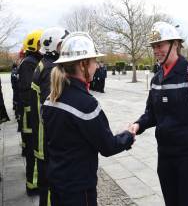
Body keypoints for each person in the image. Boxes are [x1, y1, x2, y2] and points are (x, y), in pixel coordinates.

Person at [129, 21, 188, 206]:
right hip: (166, 156)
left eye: (160, 45)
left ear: (175, 44)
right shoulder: (157, 78)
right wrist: (138, 125)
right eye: (153, 46)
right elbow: (151, 113)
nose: (155, 50)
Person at [42, 32, 135, 206]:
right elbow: (108, 146)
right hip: (78, 189)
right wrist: (128, 135)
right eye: (94, 61)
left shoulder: (51, 98)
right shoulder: (86, 104)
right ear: (83, 64)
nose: (97, 66)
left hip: (57, 182)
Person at [30, 27, 69, 206]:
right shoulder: (51, 70)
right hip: (46, 137)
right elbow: (53, 107)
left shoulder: (44, 64)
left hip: (42, 132)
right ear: (53, 45)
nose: (66, 47)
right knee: (50, 185)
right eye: (63, 43)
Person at [17, 29, 43, 196]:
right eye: (40, 43)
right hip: (30, 114)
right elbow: (27, 91)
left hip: (31, 113)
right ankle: (32, 186)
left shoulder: (32, 60)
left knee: (33, 149)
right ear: (33, 44)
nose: (43, 46)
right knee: (33, 151)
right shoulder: (29, 62)